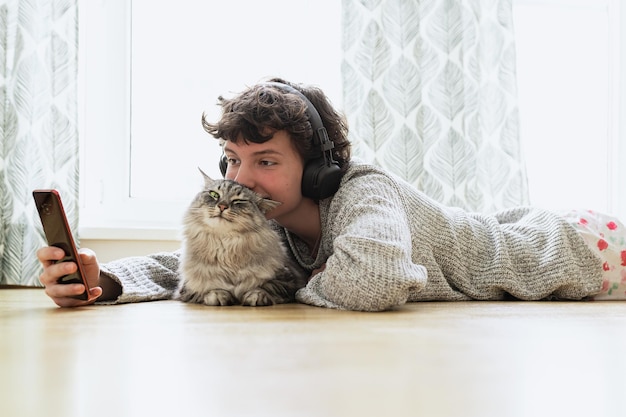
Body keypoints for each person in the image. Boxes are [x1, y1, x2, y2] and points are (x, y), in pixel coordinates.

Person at [37, 77, 626, 311]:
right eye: (234, 161)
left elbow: (373, 279)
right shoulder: (275, 229)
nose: (241, 181)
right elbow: (186, 265)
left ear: (318, 169)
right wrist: (104, 279)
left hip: (570, 250)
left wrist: (283, 291)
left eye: (265, 161)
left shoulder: (365, 194)